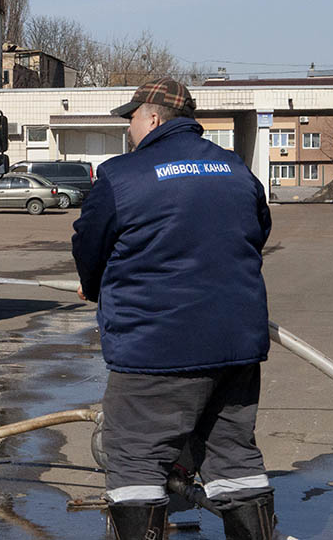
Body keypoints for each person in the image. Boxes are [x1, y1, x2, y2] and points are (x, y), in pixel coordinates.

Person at [71, 78, 278, 540]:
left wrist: (93, 285)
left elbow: (89, 245)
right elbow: (256, 233)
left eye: (131, 118)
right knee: (235, 458)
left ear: (154, 117)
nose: (128, 129)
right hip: (234, 347)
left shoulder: (122, 176)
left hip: (155, 349)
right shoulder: (235, 169)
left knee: (134, 460)